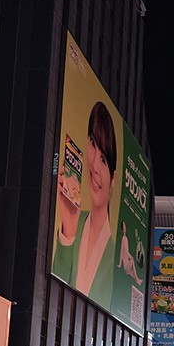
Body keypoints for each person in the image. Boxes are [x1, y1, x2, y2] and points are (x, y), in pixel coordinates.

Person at [53, 101, 119, 306]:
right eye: (92, 143)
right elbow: (53, 299)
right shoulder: (75, 220)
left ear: (113, 180)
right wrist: (69, 231)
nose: (95, 167)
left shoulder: (116, 258)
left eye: (104, 160)